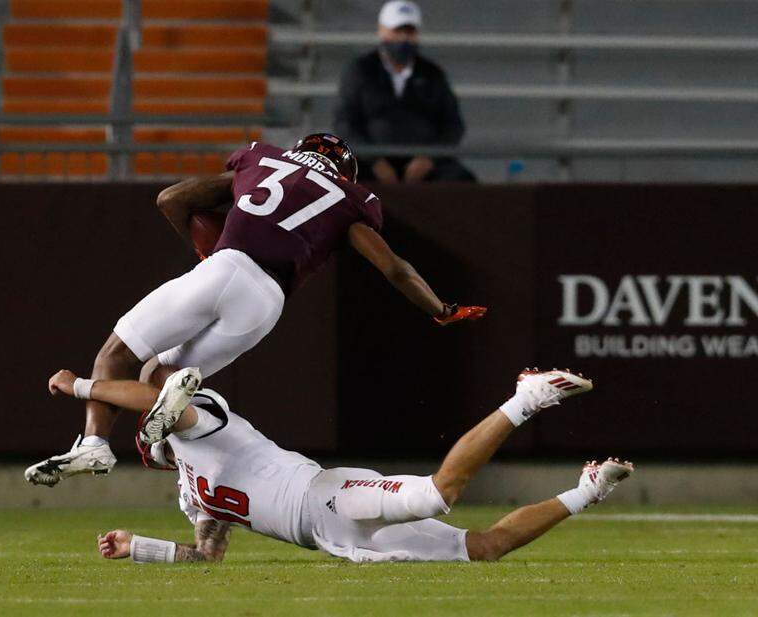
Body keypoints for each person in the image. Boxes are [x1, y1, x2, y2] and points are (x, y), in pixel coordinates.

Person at [25, 133, 487, 487]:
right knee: (161, 377)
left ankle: (95, 444)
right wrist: (440, 308)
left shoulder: (263, 158)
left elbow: (171, 198)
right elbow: (397, 269)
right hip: (267, 303)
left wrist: (207, 248)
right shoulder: (351, 199)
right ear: (344, 171)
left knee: (117, 354)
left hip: (230, 265)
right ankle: (165, 442)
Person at [43, 364, 634, 563]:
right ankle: (587, 489)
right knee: (483, 549)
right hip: (332, 540)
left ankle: (526, 396)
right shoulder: (191, 489)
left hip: (325, 496)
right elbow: (207, 556)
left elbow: (157, 400)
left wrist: (79, 388)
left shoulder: (202, 422)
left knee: (437, 494)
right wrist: (138, 547)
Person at [334, 0, 475, 183]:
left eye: (409, 32)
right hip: (369, 163)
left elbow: (452, 125)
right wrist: (374, 160)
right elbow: (345, 123)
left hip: (426, 165)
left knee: (460, 180)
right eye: (397, 31)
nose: (403, 39)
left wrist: (429, 158)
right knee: (344, 180)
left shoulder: (432, 74)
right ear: (382, 31)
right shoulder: (361, 71)